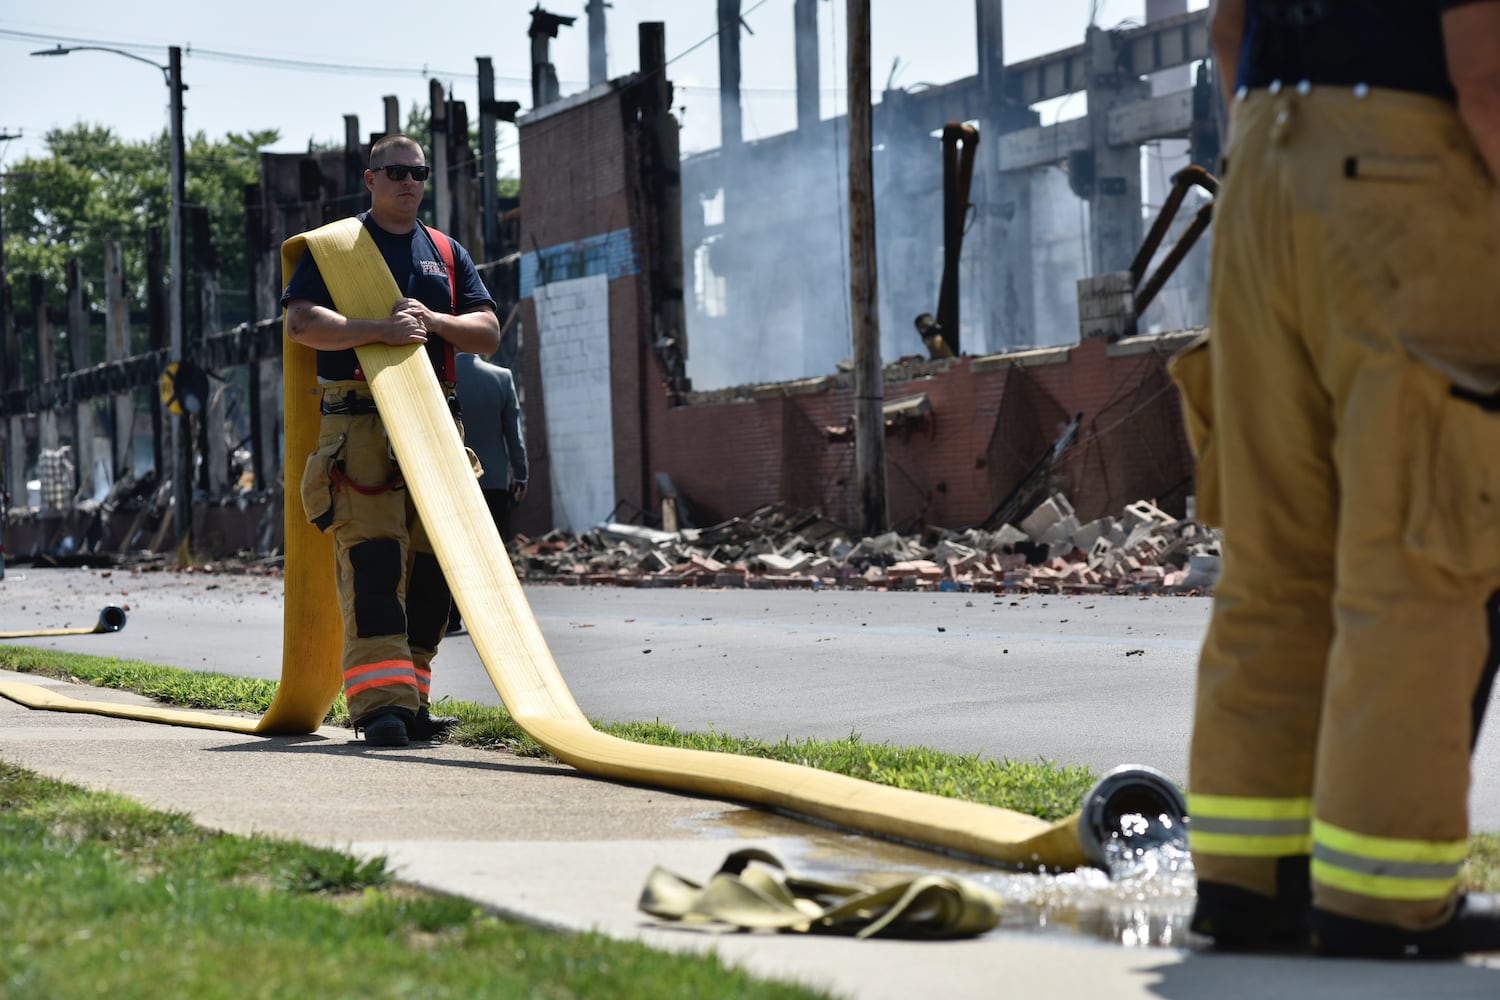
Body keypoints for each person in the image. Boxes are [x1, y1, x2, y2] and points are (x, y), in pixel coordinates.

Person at [1184, 0, 1500, 957]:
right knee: (1415, 554)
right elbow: (1482, 69)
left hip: (1260, 179)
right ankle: (1381, 896)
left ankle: (1250, 879)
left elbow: (1229, 30)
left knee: (1276, 559)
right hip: (1404, 178)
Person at [282, 134, 501, 748]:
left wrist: (433, 323)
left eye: (419, 173)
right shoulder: (335, 248)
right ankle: (380, 708)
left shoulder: (445, 252)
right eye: (397, 171)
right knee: (375, 563)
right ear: (370, 178)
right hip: (359, 426)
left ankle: (414, 700)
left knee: (432, 571)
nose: (410, 182)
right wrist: (380, 330)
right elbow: (301, 324)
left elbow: (486, 332)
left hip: (436, 427)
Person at [445, 351, 529, 635]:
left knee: (452, 548)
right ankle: (493, 617)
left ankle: (451, 616)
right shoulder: (501, 378)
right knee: (493, 550)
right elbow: (512, 435)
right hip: (493, 480)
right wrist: (521, 473)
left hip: (452, 478)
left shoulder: (440, 377)